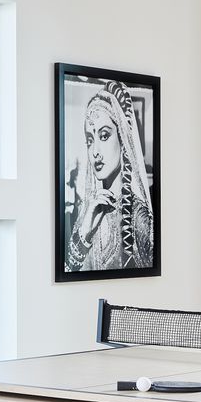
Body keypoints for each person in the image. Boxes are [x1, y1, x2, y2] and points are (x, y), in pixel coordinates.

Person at [66, 80, 153, 271]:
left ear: (122, 139)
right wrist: (85, 232)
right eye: (90, 140)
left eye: (104, 136)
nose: (95, 151)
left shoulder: (139, 218)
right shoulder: (88, 212)